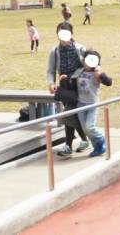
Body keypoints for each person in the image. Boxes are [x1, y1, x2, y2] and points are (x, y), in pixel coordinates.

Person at [47, 22, 90, 156]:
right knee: (71, 114)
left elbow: (87, 67)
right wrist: (51, 83)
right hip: (65, 88)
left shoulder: (80, 48)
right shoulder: (54, 51)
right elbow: (51, 70)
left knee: (71, 113)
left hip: (79, 86)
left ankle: (69, 144)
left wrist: (72, 76)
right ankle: (83, 140)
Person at [65, 49, 113, 157]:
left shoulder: (97, 74)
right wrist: (65, 79)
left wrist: (100, 75)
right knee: (85, 129)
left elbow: (109, 82)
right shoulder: (79, 71)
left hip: (92, 104)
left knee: (89, 127)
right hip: (80, 104)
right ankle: (98, 148)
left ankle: (101, 140)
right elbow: (71, 81)